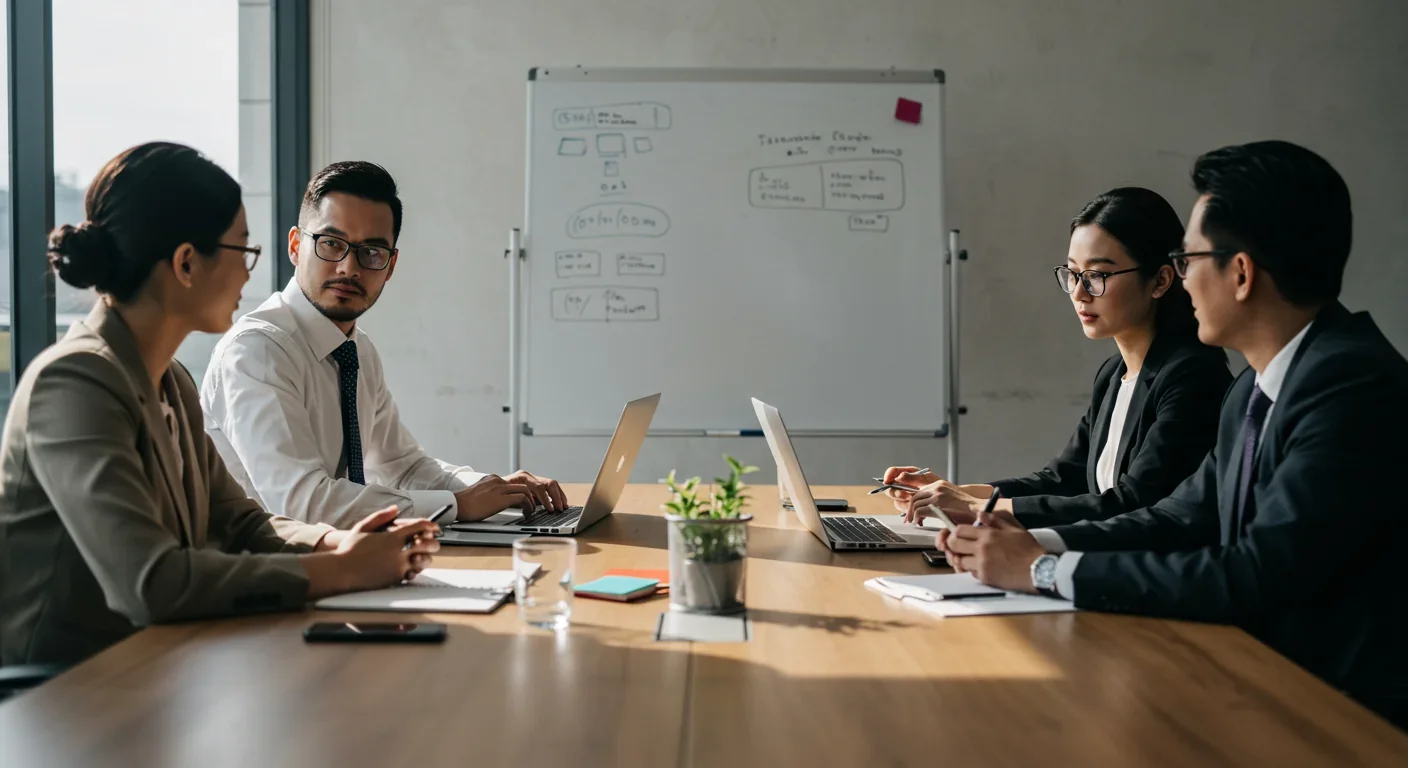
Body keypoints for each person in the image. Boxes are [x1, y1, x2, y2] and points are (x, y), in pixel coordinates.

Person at [939, 141, 1408, 728]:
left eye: (1187, 262)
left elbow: (1253, 573)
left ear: (1240, 274)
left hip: (1343, 717)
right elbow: (1179, 516)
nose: (1182, 283)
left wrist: (1038, 572)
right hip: (1262, 685)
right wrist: (1032, 541)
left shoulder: (1350, 387)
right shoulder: (1256, 387)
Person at [0, 143, 439, 666]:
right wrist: (341, 570)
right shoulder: (74, 382)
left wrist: (334, 544)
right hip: (63, 693)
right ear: (187, 262)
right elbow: (153, 582)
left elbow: (242, 524)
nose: (250, 274)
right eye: (242, 251)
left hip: (157, 665)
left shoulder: (172, 381)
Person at [201, 161, 564, 529]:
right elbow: (301, 502)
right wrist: (457, 504)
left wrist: (491, 488)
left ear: (390, 266)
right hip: (269, 566)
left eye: (371, 252)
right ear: (296, 246)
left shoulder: (357, 351)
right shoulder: (257, 351)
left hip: (335, 558)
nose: (349, 267)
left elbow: (401, 466)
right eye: (331, 243)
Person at [886, 187, 1231, 528]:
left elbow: (1134, 503)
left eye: (1097, 275)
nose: (1079, 293)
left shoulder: (1192, 375)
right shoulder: (1115, 372)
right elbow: (1063, 479)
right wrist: (954, 493)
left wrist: (977, 507)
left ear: (1160, 280)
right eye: (1073, 273)